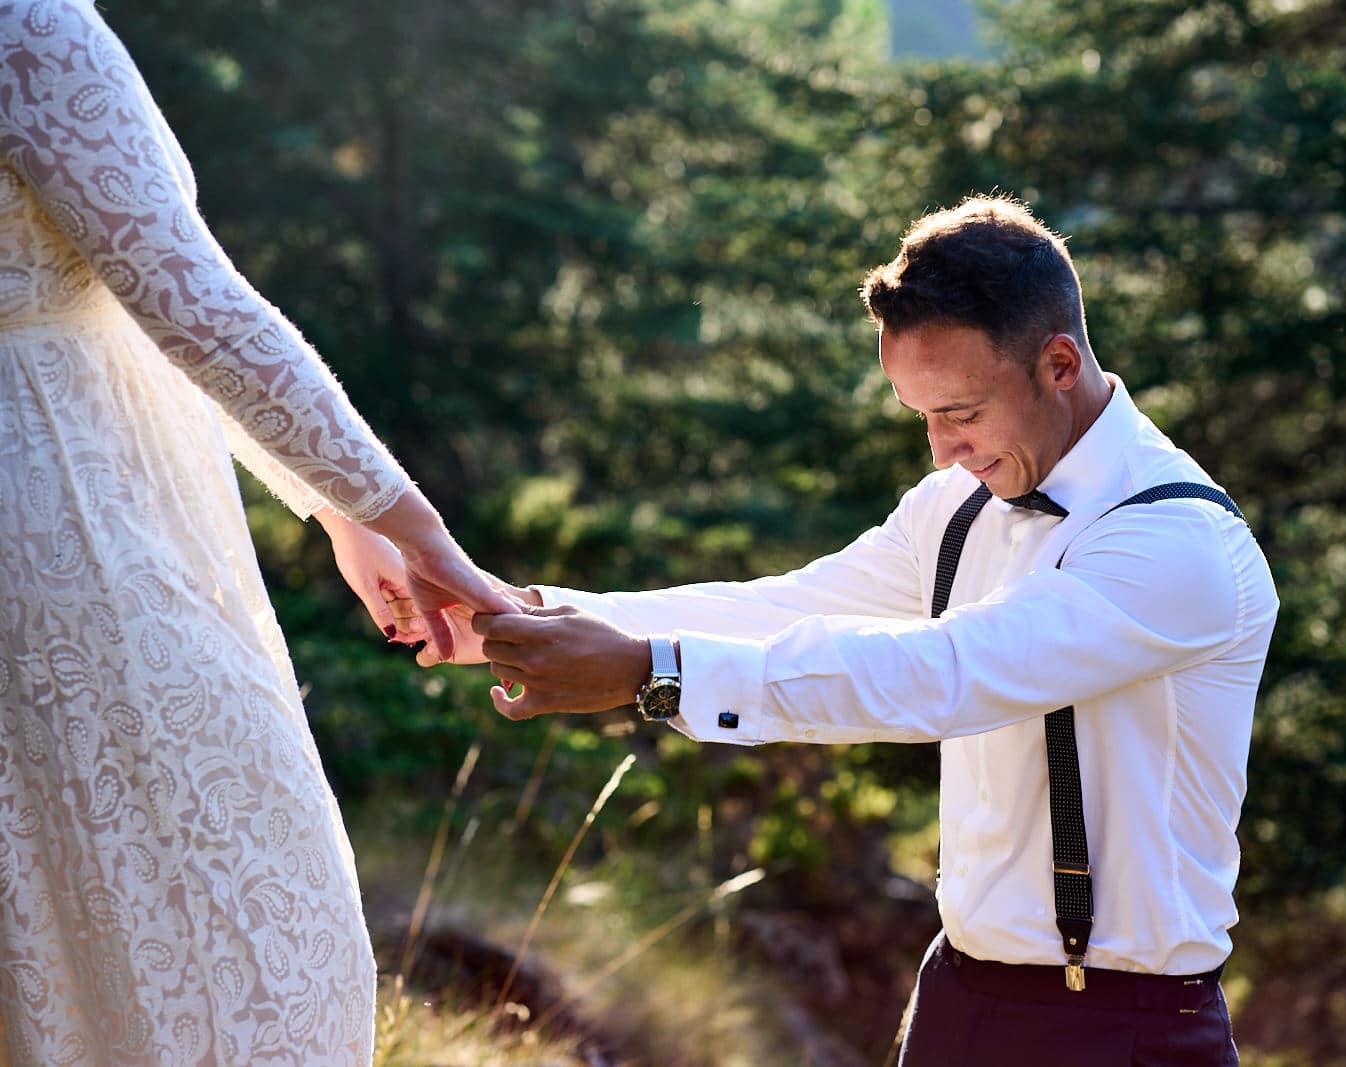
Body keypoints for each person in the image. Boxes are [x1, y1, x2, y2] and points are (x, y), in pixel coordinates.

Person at [433, 194, 1279, 1065]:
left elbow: (942, 673)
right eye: (921, 415)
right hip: (956, 998)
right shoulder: (958, 502)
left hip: (1121, 1029)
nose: (941, 450)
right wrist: (523, 616)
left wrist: (654, 673)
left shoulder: (1176, 543)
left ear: (1059, 363)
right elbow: (792, 605)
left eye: (961, 411)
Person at [0, 1, 519, 1063]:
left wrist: (330, 504)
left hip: (65, 497)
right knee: (222, 925)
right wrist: (414, 525)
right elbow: (192, 305)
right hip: (69, 529)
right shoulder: (26, 27)